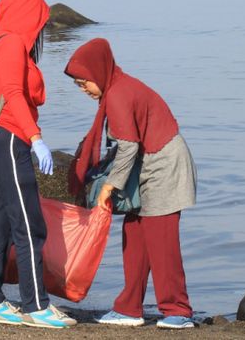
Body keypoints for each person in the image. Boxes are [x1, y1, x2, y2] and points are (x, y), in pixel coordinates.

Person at [65, 38, 197, 329]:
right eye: (78, 85)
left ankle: (178, 309)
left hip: (164, 167)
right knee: (135, 236)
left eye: (84, 82)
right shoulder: (116, 88)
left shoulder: (118, 94)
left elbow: (128, 147)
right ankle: (129, 308)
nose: (84, 89)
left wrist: (109, 187)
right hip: (145, 168)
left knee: (162, 241)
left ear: (99, 72)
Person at [0, 0, 76, 329]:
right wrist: (35, 138)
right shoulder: (13, 44)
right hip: (9, 140)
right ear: (27, 16)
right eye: (39, 20)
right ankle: (36, 306)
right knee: (30, 226)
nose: (41, 29)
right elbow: (14, 95)